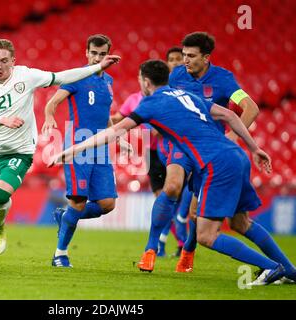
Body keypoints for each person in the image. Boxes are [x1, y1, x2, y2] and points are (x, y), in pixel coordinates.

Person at [49, 59, 296, 286]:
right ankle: (291, 272)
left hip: (215, 163)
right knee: (242, 222)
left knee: (207, 236)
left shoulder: (151, 103)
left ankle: (272, 267)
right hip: (236, 155)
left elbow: (113, 132)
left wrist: (72, 150)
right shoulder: (186, 95)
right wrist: (254, 148)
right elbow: (229, 114)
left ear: (145, 82)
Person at [0, 38, 120, 270]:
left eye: (4, 61)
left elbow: (62, 77)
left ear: (13, 62)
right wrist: (2, 120)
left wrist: (98, 67)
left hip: (20, 150)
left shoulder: (26, 76)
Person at [167, 32, 261, 273]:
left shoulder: (223, 79)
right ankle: (162, 249)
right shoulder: (176, 75)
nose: (184, 61)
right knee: (174, 190)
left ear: (207, 57)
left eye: (190, 56)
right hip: (186, 148)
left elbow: (251, 107)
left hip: (212, 155)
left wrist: (231, 136)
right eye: (183, 55)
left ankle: (187, 252)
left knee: (196, 213)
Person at [42, 34, 128, 268]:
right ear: (86, 53)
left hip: (101, 149)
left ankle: (65, 216)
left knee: (107, 204)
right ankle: (60, 254)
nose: (97, 57)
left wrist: (119, 136)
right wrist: (49, 116)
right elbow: (52, 103)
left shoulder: (108, 81)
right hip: (77, 146)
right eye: (94, 53)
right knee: (79, 201)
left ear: (108, 55)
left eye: (102, 54)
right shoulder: (76, 77)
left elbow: (104, 115)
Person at [111, 47, 187, 257]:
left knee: (179, 199)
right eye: (171, 59)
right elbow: (119, 118)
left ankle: (173, 242)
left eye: (178, 59)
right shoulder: (136, 99)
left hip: (176, 151)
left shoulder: (177, 93)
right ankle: (172, 242)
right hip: (152, 153)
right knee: (162, 198)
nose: (175, 63)